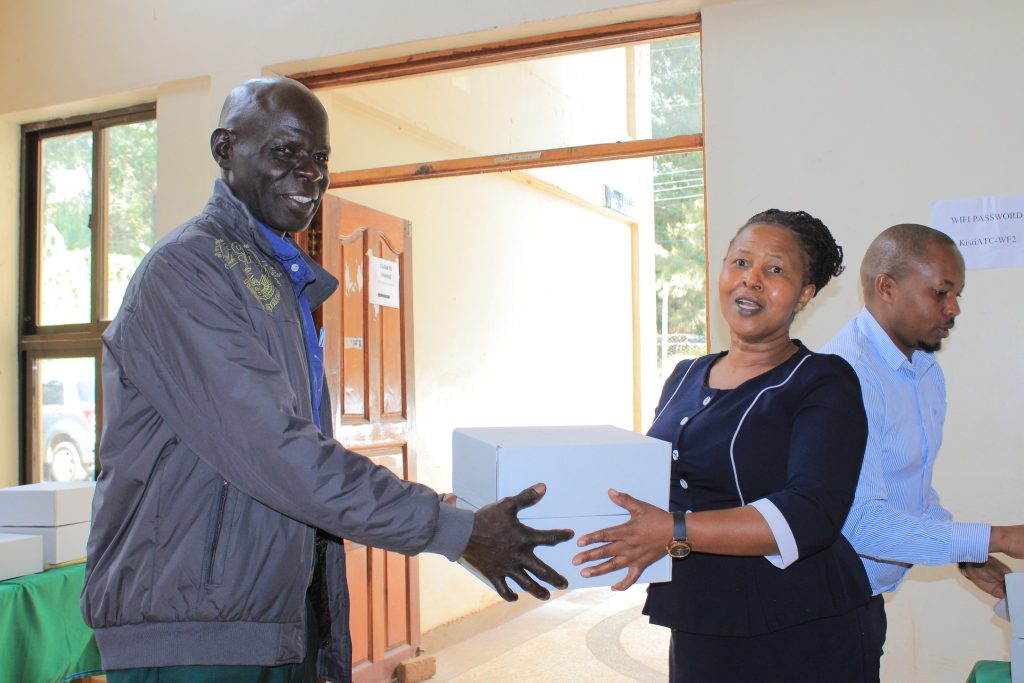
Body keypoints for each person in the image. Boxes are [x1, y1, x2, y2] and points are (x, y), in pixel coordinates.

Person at [81, 76, 572, 683]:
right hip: (195, 633)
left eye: (320, 158)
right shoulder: (187, 272)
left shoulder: (277, 279)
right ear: (225, 148)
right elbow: (271, 448)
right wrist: (456, 530)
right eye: (286, 151)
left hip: (271, 615)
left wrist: (438, 508)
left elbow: (294, 445)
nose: (309, 173)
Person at [573, 209, 875, 682]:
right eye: (739, 263)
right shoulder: (685, 375)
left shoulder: (823, 381)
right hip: (702, 618)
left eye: (775, 271)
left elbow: (810, 513)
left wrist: (671, 529)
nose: (750, 280)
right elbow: (665, 487)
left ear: (805, 295)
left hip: (800, 622)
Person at [821, 223, 1024, 675]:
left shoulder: (923, 369)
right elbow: (863, 524)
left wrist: (967, 553)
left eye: (958, 295)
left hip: (864, 597)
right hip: (818, 606)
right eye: (941, 293)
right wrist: (1000, 536)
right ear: (886, 287)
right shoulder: (845, 375)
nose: (954, 309)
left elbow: (910, 488)